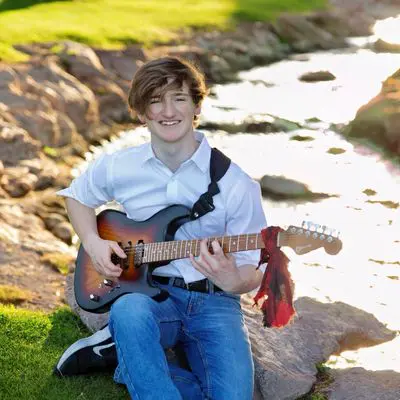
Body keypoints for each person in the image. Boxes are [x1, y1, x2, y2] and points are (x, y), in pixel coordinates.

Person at [55, 56, 267, 400]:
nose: (168, 111)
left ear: (197, 106)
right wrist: (93, 243)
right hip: (146, 296)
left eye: (179, 98)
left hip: (215, 302)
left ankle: (125, 356)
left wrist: (236, 280)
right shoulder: (120, 166)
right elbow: (76, 196)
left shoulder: (235, 182)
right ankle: (130, 342)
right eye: (156, 100)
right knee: (128, 310)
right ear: (141, 112)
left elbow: (255, 262)